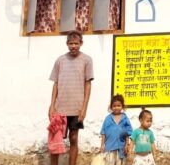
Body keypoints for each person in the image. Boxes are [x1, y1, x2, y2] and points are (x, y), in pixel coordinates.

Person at [48, 30, 94, 165]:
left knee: (73, 138)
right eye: (71, 43)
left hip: (76, 108)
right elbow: (56, 84)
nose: (74, 46)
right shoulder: (60, 60)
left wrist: (84, 109)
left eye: (76, 43)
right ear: (67, 43)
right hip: (60, 108)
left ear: (81, 43)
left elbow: (88, 85)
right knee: (56, 139)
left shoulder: (87, 60)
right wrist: (52, 106)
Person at [100, 94, 133, 165]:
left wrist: (127, 144)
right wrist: (102, 145)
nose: (116, 108)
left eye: (118, 105)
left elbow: (127, 133)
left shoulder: (125, 118)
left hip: (121, 148)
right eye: (114, 106)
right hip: (110, 148)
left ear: (122, 106)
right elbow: (103, 132)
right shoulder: (108, 118)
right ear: (111, 107)